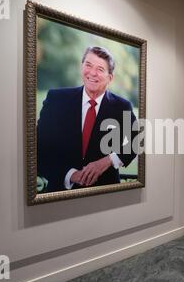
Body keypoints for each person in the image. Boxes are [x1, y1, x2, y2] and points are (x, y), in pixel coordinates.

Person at [37, 46, 137, 192]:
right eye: (88, 65)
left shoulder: (122, 107)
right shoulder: (56, 99)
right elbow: (39, 147)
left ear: (110, 78)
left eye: (100, 69)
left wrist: (109, 160)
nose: (92, 73)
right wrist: (70, 175)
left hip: (105, 194)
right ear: (81, 67)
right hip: (58, 195)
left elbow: (137, 141)